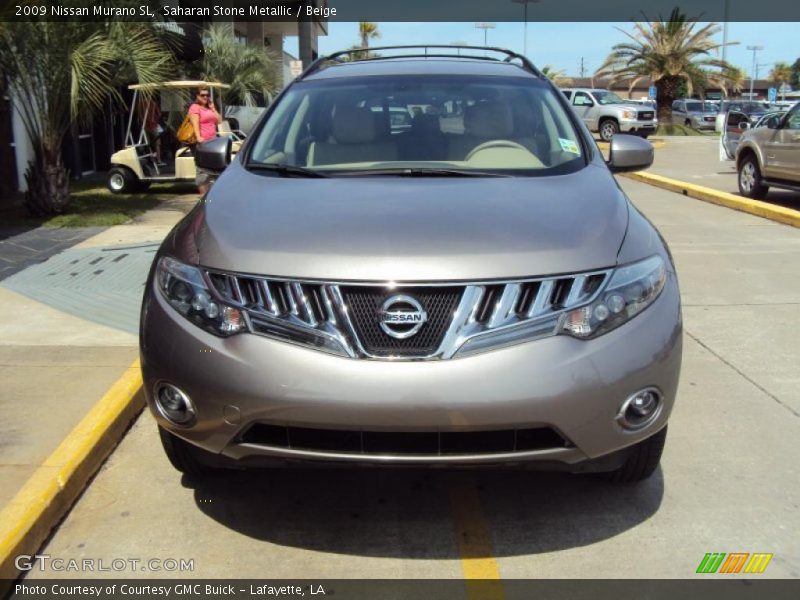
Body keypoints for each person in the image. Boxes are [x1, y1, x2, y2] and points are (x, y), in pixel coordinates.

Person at [187, 87, 222, 194]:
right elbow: (195, 123)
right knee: (202, 172)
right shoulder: (195, 107)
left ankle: (211, 196)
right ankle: (203, 199)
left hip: (213, 143)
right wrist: (198, 137)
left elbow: (219, 121)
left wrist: (213, 108)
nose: (205, 97)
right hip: (202, 143)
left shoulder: (208, 108)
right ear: (197, 96)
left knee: (213, 170)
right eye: (202, 95)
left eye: (207, 95)